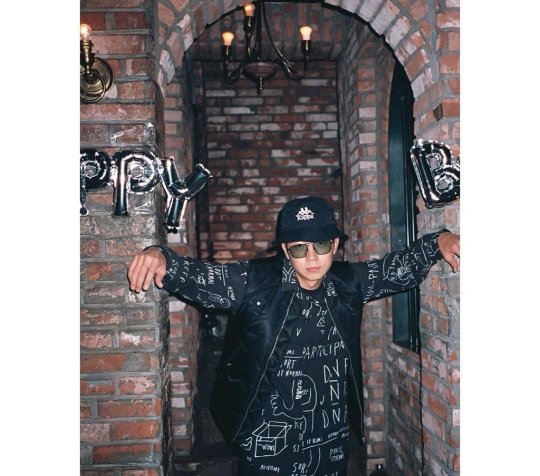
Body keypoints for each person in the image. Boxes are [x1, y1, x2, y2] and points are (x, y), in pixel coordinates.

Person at [128, 196, 460, 476]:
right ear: (286, 250)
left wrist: (438, 241)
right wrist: (159, 254)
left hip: (330, 439)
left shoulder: (348, 282)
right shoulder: (253, 281)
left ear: (334, 245)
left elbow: (396, 269)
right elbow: (198, 275)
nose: (312, 257)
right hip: (268, 443)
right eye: (300, 248)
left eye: (321, 244)